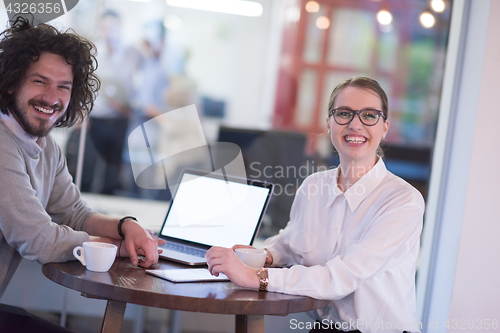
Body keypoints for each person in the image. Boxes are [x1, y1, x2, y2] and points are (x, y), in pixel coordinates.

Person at [206, 77, 425, 333]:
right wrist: (265, 255)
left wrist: (257, 277)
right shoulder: (313, 186)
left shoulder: (402, 201)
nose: (355, 124)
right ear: (329, 124)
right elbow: (292, 241)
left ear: (385, 127)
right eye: (344, 113)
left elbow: (340, 278)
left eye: (369, 115)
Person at [0, 17, 164, 332]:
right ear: (10, 82)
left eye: (63, 86)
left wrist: (125, 226)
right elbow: (39, 241)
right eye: (39, 81)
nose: (52, 98)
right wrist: (115, 246)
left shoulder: (44, 148)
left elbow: (73, 212)